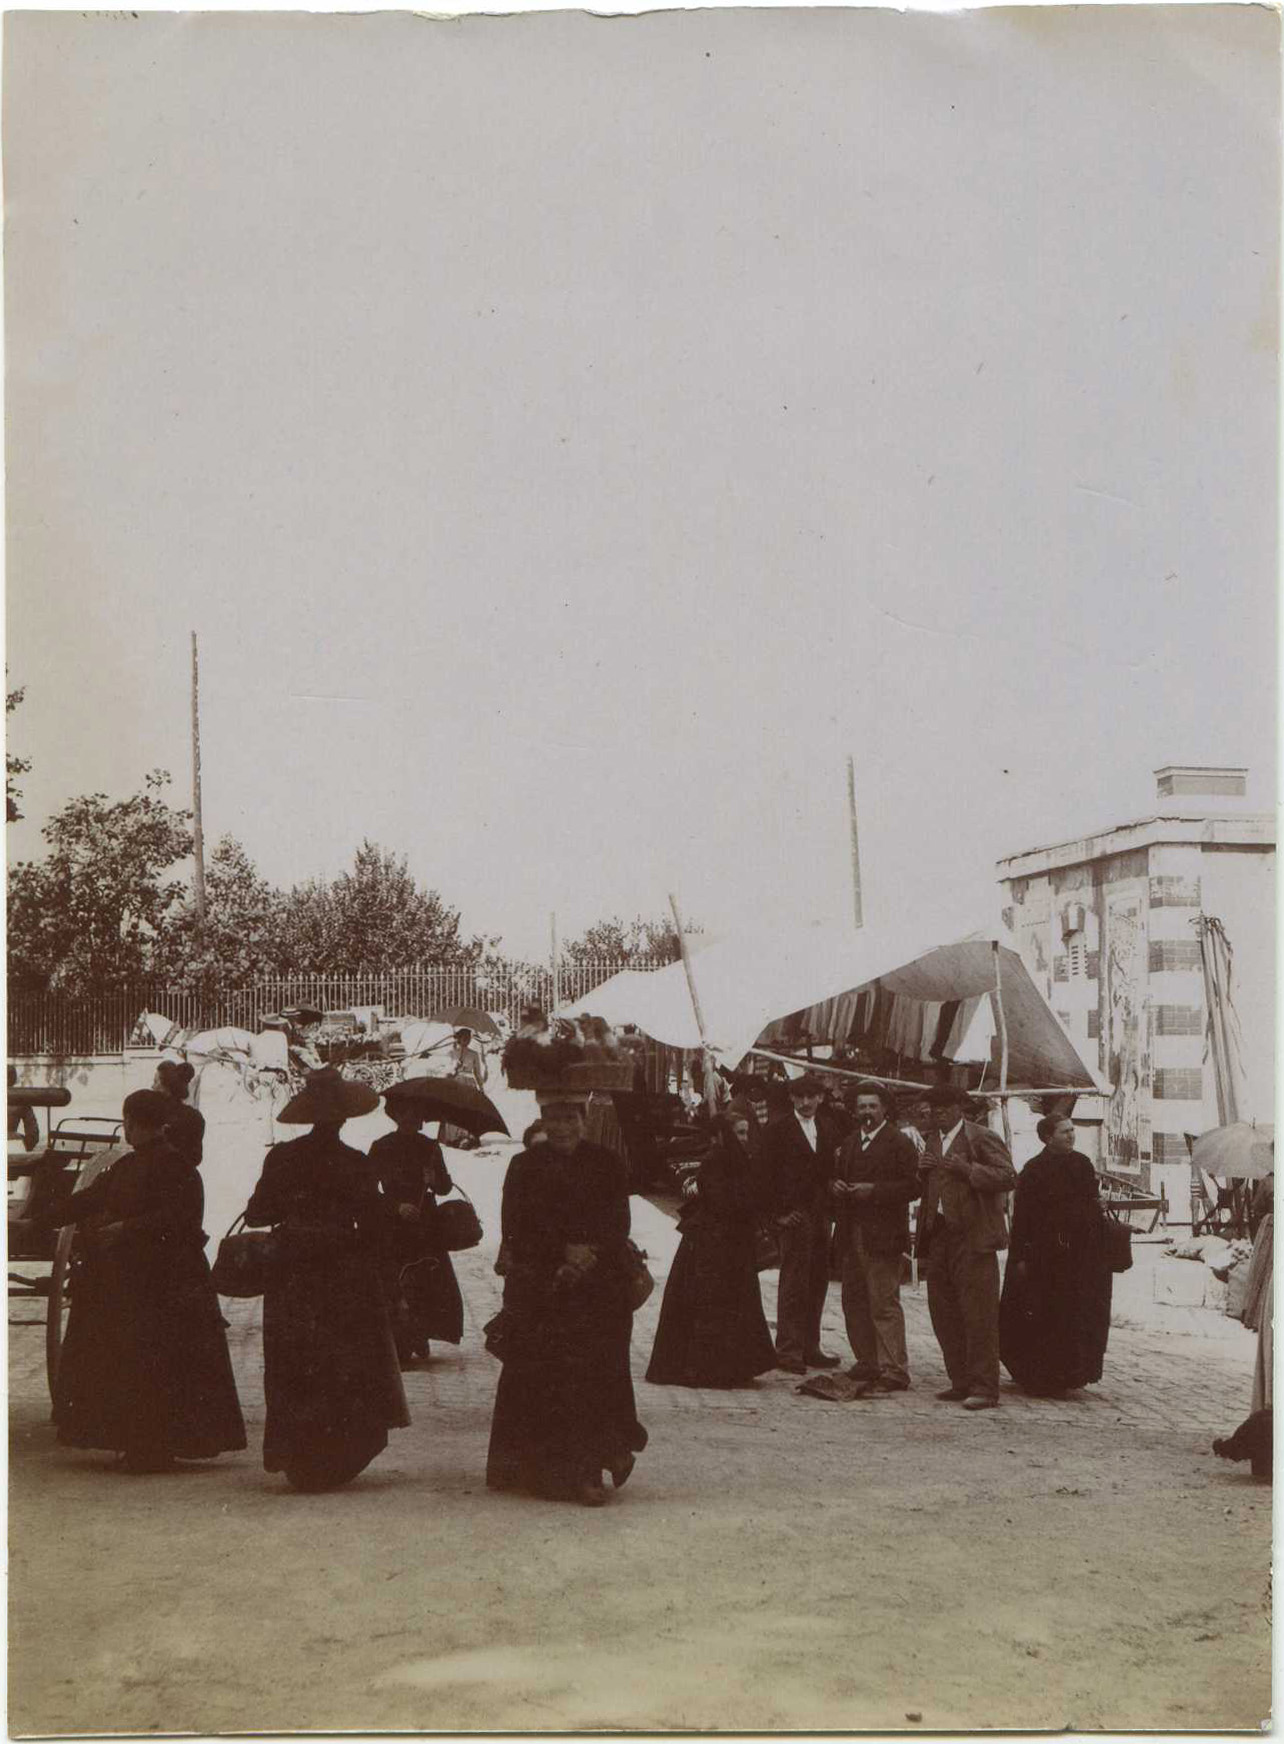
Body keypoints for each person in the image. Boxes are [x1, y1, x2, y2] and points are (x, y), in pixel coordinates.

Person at [38, 1088, 245, 1473]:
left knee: (152, 1364)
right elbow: (91, 1199)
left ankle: (153, 1447)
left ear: (135, 1123)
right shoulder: (131, 1165)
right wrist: (45, 1219)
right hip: (136, 1279)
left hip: (165, 1281)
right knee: (139, 1365)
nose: (127, 1129)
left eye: (129, 1122)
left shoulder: (175, 1167)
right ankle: (139, 1443)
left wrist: (127, 1229)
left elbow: (182, 1221)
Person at [244, 1067, 409, 1491]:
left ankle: (298, 1458)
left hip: (292, 1272)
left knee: (293, 1363)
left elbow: (258, 1213)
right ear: (343, 1119)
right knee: (341, 1364)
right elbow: (372, 1226)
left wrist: (295, 1211)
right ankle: (334, 1457)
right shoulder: (355, 1163)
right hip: (342, 1272)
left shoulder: (281, 1157)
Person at [486, 1093, 647, 1506]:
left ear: (584, 1119)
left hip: (599, 1286)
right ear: (542, 1121)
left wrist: (589, 1255)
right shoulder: (523, 1166)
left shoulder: (606, 1163)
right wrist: (561, 1253)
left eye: (570, 1118)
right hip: (545, 1286)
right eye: (553, 1119)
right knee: (549, 1381)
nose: (562, 1127)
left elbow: (619, 1223)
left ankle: (594, 1465)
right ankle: (564, 1472)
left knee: (597, 1376)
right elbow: (515, 1227)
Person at [646, 1108, 776, 1389]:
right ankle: (709, 1369)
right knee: (712, 1304)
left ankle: (726, 1367)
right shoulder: (718, 1159)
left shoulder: (733, 1159)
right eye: (739, 1132)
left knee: (726, 1303)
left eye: (746, 1132)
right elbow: (721, 1200)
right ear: (725, 1134)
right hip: (714, 1245)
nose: (744, 1138)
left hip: (728, 1243)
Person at [917, 1085, 1017, 1410]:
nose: (939, 1113)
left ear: (960, 1107)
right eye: (934, 1107)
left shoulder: (980, 1137)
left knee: (979, 1315)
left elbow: (1008, 1176)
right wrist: (924, 1170)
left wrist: (969, 1170)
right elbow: (932, 1184)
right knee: (943, 1312)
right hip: (940, 1236)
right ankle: (960, 1381)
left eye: (945, 1106)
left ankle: (985, 1388)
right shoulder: (932, 1139)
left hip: (974, 1239)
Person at [998, 1115, 1112, 1398]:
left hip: (1077, 1258)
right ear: (1048, 1138)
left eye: (1072, 1131)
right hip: (1044, 1259)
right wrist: (1022, 1258)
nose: (1071, 1136)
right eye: (1065, 1132)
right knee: (1043, 1316)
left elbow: (1089, 1201)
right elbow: (1023, 1219)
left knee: (1073, 1316)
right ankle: (1039, 1376)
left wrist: (1096, 1206)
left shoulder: (1082, 1164)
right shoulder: (1033, 1171)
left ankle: (1070, 1374)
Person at [830, 1081, 921, 1391]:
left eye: (872, 1106)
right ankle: (867, 1361)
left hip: (883, 1235)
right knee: (853, 1299)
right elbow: (838, 1177)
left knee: (883, 1301)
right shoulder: (851, 1142)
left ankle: (894, 1369)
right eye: (862, 1107)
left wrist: (875, 1191)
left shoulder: (899, 1143)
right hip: (851, 1232)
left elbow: (913, 1186)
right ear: (855, 1111)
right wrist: (837, 1187)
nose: (867, 1112)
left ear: (884, 1109)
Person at [756, 1072, 844, 1374]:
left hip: (821, 1214)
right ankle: (788, 1350)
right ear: (791, 1098)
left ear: (821, 1097)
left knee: (818, 1279)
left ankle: (810, 1346)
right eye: (800, 1097)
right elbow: (763, 1176)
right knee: (794, 1281)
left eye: (812, 1096)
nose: (806, 1102)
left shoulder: (827, 1127)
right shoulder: (777, 1130)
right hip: (794, 1216)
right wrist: (777, 1214)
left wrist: (832, 1193)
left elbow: (828, 1169)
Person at [370, 1086, 462, 1367]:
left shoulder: (430, 1147)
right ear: (395, 1117)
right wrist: (396, 1207)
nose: (410, 1119)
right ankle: (401, 1338)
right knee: (398, 1282)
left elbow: (445, 1187)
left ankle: (420, 1333)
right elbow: (368, 1190)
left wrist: (434, 1178)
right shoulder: (382, 1147)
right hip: (394, 1226)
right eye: (404, 1114)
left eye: (415, 1115)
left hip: (425, 1226)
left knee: (427, 1281)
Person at [153, 1058, 205, 1168]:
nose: (152, 1086)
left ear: (166, 1087)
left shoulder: (154, 1116)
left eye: (155, 1082)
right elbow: (196, 1157)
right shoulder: (195, 1116)